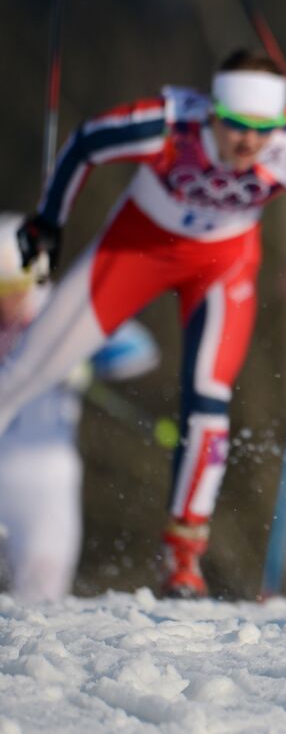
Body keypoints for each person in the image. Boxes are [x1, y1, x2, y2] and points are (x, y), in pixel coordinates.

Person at [0, 50, 286, 599]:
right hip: (136, 250)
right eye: (236, 127)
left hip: (222, 264)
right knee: (22, 374)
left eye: (263, 129)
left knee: (208, 400)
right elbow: (86, 143)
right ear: (214, 112)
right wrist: (48, 222)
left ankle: (184, 559)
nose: (249, 143)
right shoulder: (169, 126)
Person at [0, 213, 160, 601]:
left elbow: (139, 350)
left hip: (46, 472)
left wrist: (84, 359)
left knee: (41, 595)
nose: (8, 300)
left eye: (15, 287)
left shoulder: (60, 311)